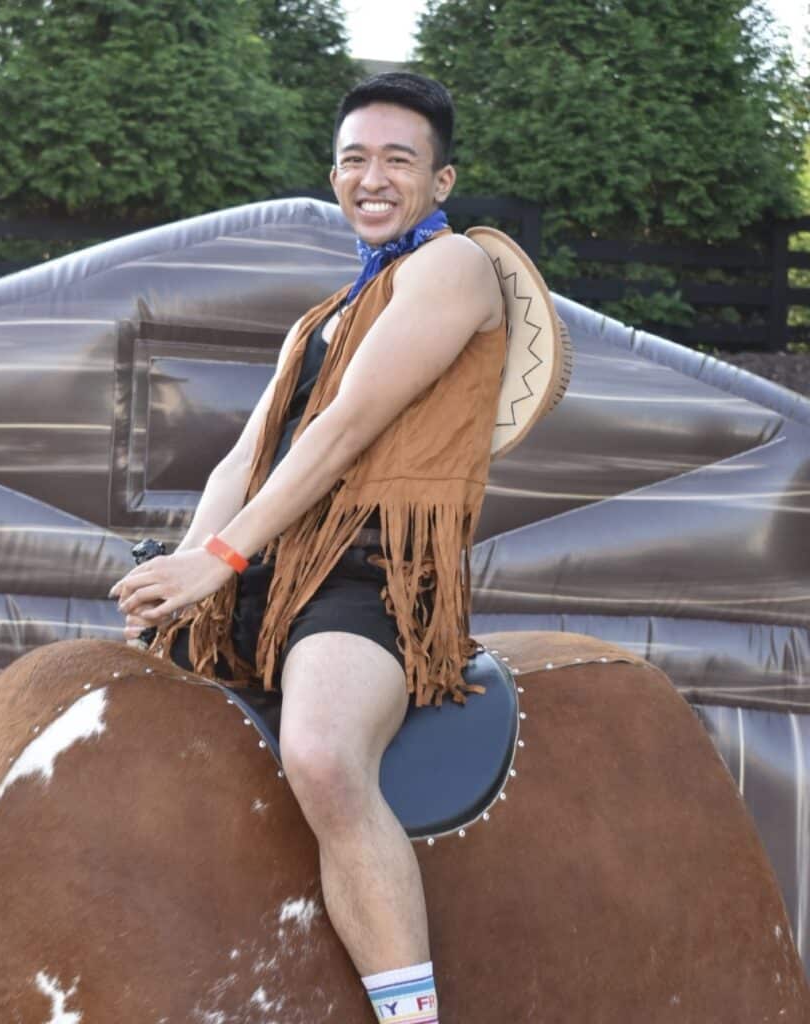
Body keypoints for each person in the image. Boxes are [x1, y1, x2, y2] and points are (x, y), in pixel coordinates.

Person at [110, 72, 506, 1024]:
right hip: (265, 566)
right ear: (334, 175)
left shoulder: (457, 268)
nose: (372, 177)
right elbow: (245, 458)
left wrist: (224, 559)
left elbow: (343, 433)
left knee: (324, 755)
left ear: (441, 181)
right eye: (354, 159)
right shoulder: (318, 316)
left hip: (372, 576)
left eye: (397, 160)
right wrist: (185, 575)